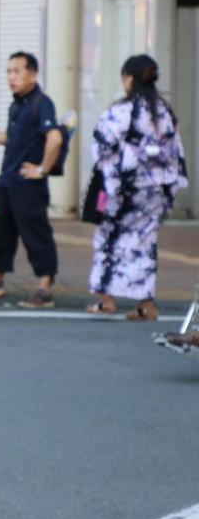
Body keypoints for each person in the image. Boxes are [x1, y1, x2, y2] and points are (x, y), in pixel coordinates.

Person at [86, 55, 188, 320]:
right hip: (157, 191)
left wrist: (114, 171)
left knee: (109, 238)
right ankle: (146, 304)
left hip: (125, 189)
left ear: (129, 79)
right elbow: (176, 153)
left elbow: (100, 144)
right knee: (144, 242)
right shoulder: (164, 113)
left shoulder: (122, 111)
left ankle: (106, 299)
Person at [0, 52, 62, 309]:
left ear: (32, 74)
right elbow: (10, 140)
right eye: (9, 71)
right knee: (1, 232)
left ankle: (45, 287)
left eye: (17, 71)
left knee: (36, 233)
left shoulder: (42, 103)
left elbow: (55, 138)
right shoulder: (17, 104)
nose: (11, 77)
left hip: (28, 185)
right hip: (8, 181)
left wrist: (42, 170)